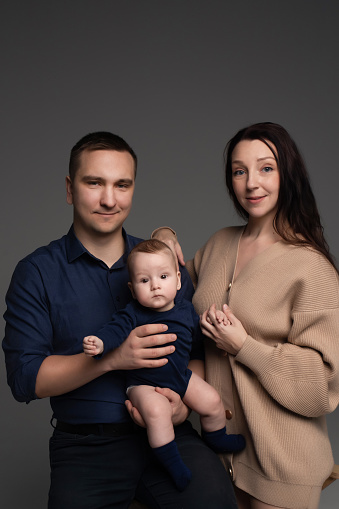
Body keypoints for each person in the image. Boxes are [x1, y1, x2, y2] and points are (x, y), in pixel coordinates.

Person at [2, 131, 238, 509]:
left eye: (121, 184)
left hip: (171, 433)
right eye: (94, 182)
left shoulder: (162, 267)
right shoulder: (37, 272)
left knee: (214, 500)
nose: (109, 199)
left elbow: (196, 352)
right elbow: (24, 379)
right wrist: (112, 360)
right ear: (69, 188)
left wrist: (180, 401)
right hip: (85, 448)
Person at [154, 122, 339, 509]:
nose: (251, 183)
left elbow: (323, 385)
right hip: (217, 459)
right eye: (240, 171)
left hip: (283, 466)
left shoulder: (312, 268)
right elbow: (163, 294)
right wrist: (163, 236)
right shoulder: (220, 242)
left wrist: (244, 347)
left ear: (288, 174)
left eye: (266, 168)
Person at [83, 238, 245, 491]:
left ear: (179, 280)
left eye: (164, 277)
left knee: (212, 401)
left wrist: (217, 333)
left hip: (180, 376)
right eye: (144, 281)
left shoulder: (185, 310)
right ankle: (171, 461)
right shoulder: (132, 313)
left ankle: (217, 438)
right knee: (158, 414)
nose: (155, 286)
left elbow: (197, 338)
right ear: (133, 288)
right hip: (142, 385)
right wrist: (101, 343)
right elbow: (115, 330)